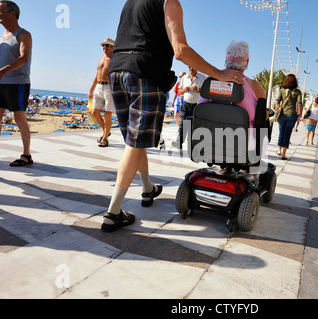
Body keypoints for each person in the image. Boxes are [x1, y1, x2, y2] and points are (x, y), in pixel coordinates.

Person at [101, 0, 243, 232]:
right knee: (135, 144)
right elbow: (180, 50)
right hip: (146, 71)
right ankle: (113, 213)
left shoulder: (131, 2)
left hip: (117, 70)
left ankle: (148, 189)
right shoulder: (170, 2)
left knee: (135, 142)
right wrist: (219, 74)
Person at [198, 40, 267, 151]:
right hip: (243, 147)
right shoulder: (255, 86)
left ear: (226, 60)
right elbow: (263, 116)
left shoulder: (210, 82)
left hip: (209, 143)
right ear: (247, 62)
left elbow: (200, 111)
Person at [0, 1, 33, 166]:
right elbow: (0, 63)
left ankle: (27, 155)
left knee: (19, 118)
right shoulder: (3, 36)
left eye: (0, 11)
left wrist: (2, 71)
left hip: (18, 82)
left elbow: (23, 58)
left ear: (13, 13)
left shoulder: (24, 34)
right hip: (1, 83)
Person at [88, 37, 116, 148]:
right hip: (99, 87)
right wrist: (91, 90)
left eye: (107, 45)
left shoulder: (115, 59)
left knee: (107, 114)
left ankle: (105, 138)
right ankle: (106, 131)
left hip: (110, 87)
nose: (104, 47)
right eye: (103, 45)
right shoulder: (101, 58)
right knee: (94, 112)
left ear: (113, 47)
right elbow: (97, 75)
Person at [172, 66, 206, 150]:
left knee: (194, 125)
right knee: (183, 124)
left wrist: (198, 89)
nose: (191, 69)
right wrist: (184, 90)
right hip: (186, 104)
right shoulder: (184, 78)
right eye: (189, 67)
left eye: (193, 67)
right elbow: (179, 92)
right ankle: (179, 142)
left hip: (196, 105)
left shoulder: (203, 78)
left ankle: (193, 145)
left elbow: (206, 92)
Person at [275, 74, 302, 160]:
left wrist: (278, 108)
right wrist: (299, 115)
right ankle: (284, 154)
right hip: (292, 115)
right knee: (287, 133)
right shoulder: (297, 92)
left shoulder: (282, 90)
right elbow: (300, 104)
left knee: (281, 132)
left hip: (282, 114)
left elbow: (277, 101)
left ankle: (279, 150)